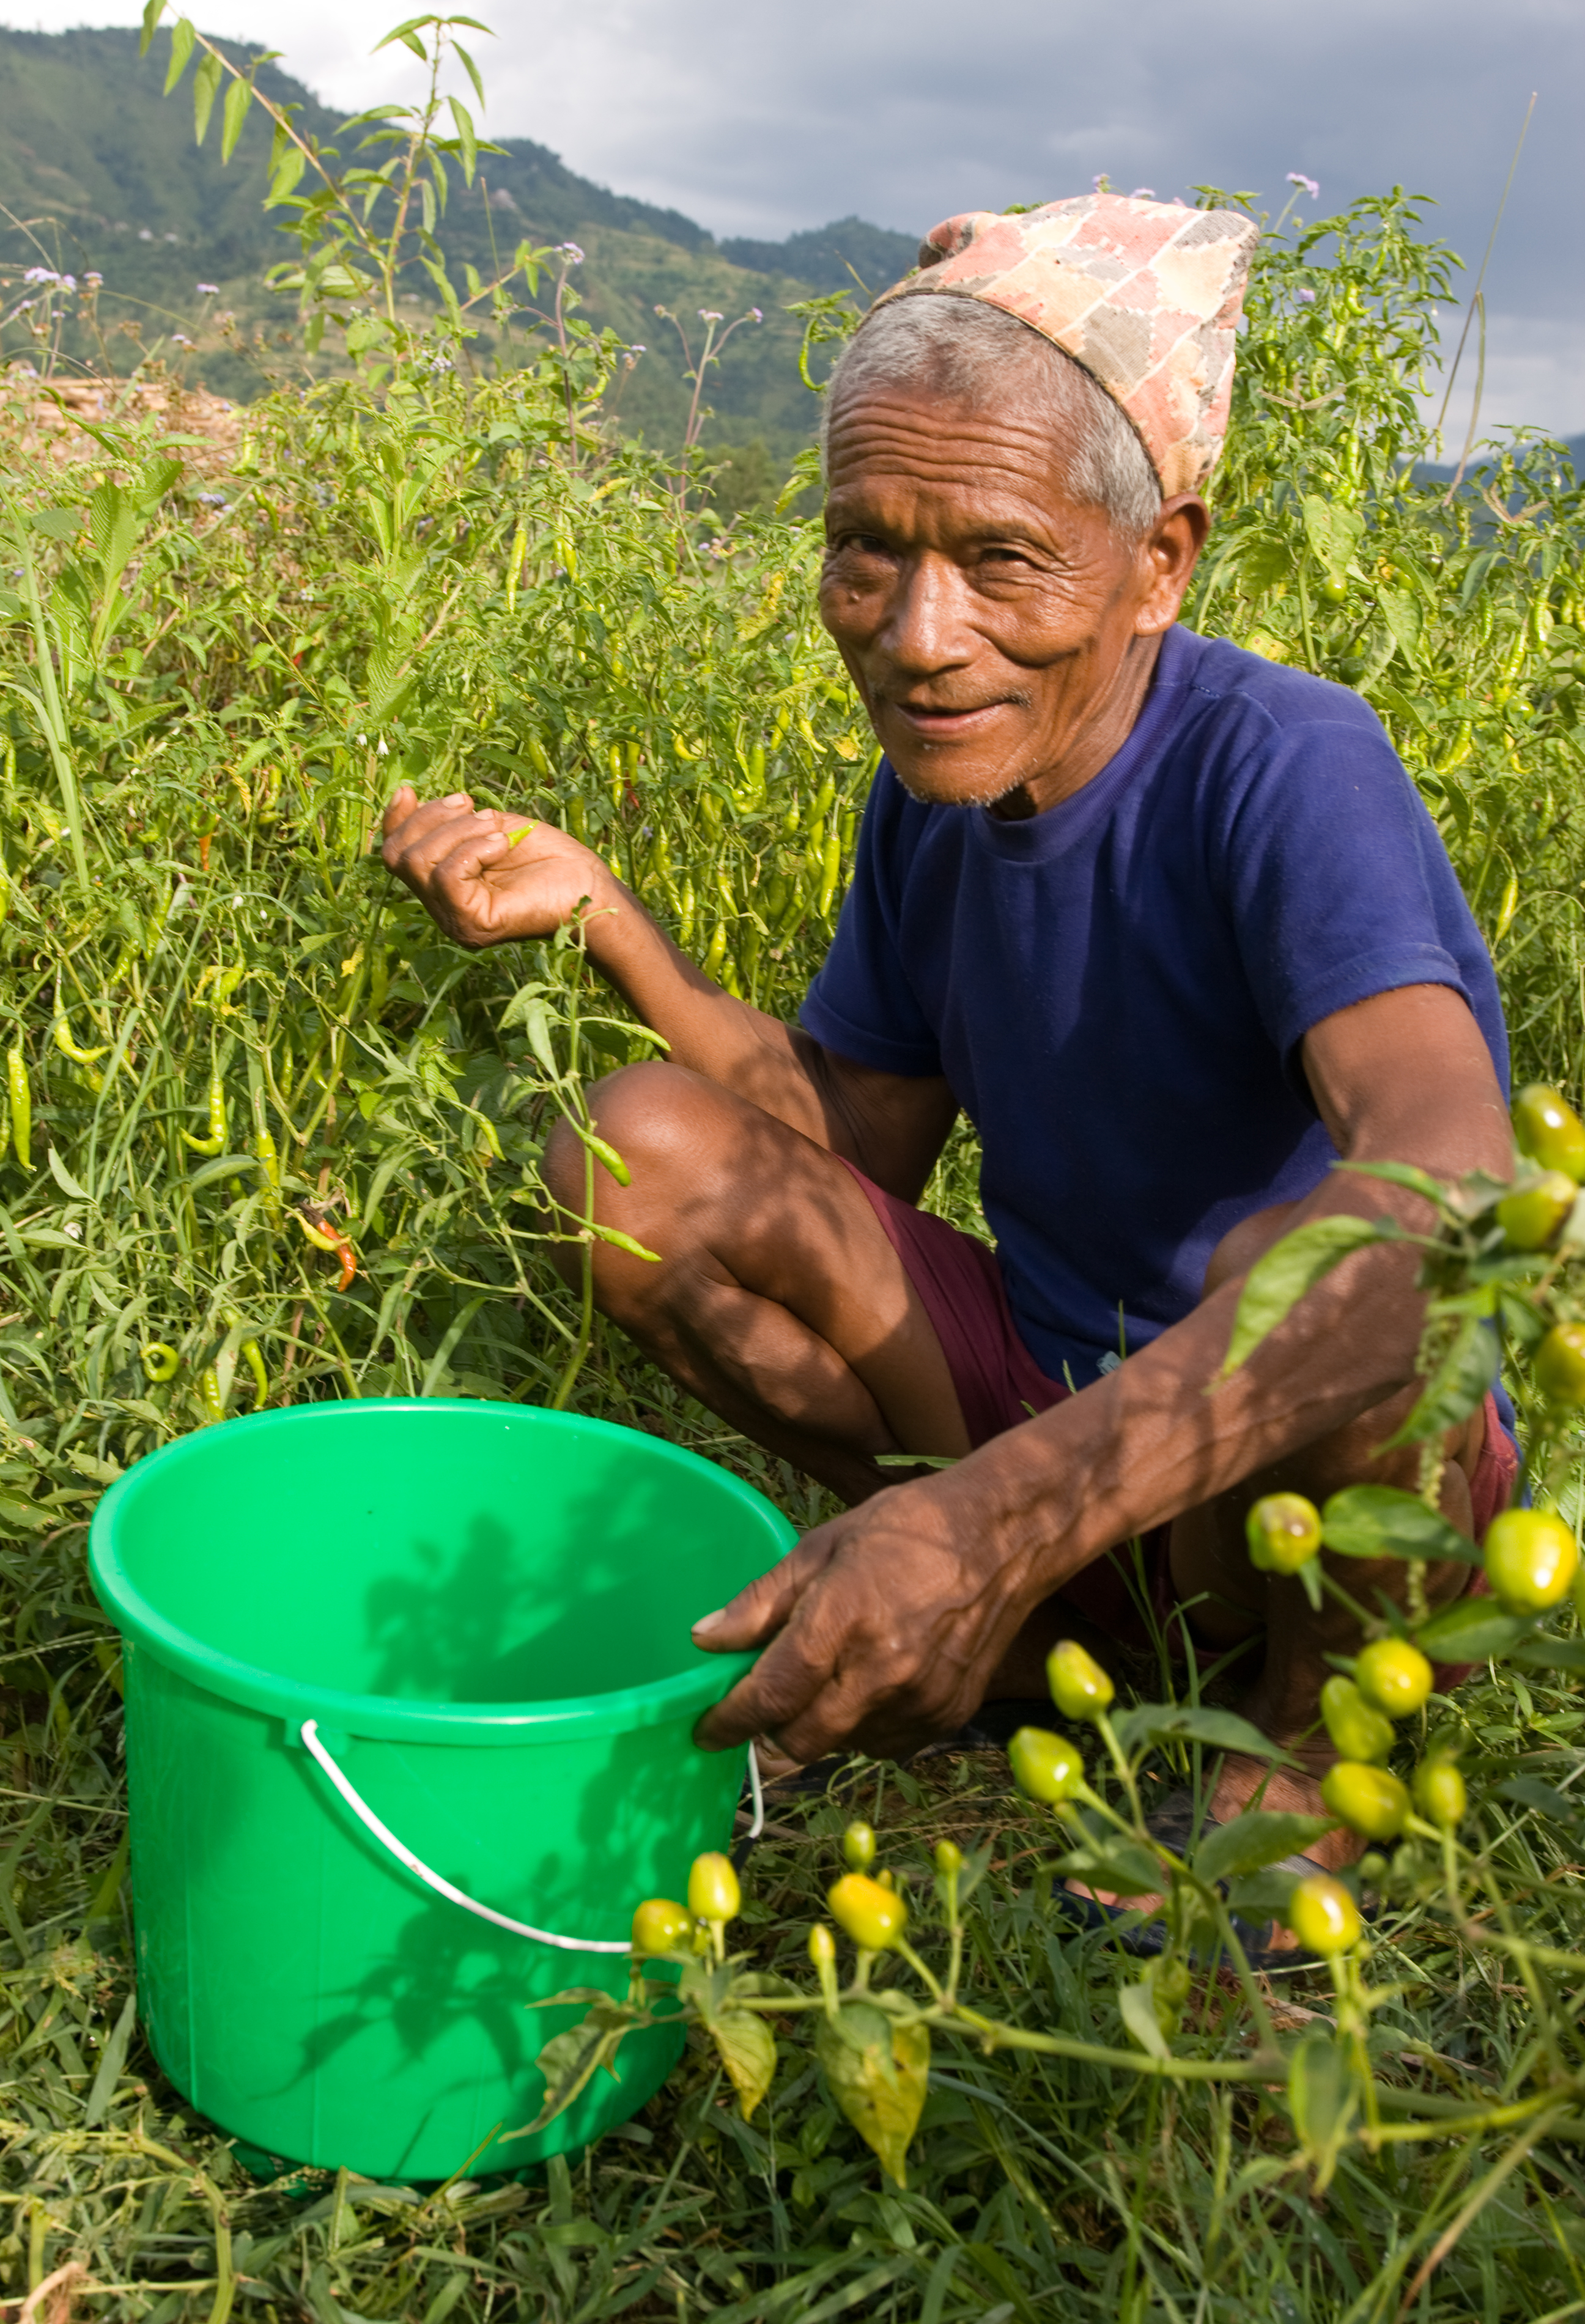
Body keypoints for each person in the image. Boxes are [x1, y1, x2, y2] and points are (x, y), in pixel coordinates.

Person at [383, 194, 1517, 1898]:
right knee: (640, 1152)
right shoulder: (936, 804)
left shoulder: (1283, 766)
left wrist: (996, 1516)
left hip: (1307, 1493)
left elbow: (1453, 1206)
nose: (918, 638)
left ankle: (1293, 1745)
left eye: (999, 558)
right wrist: (605, 914)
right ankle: (1018, 1640)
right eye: (869, 548)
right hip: (1063, 1420)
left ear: (1159, 564)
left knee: (1338, 1251)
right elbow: (843, 1144)